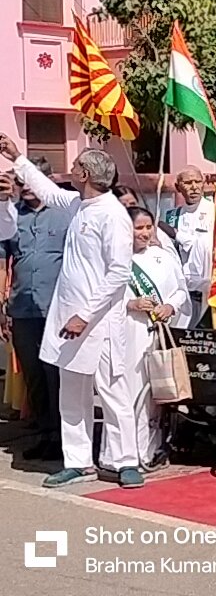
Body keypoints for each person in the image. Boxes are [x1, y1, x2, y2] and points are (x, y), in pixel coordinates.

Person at [0, 138, 140, 489]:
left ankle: (125, 462)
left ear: (88, 174)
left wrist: (86, 315)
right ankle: (78, 461)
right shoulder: (79, 204)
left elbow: (118, 273)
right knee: (71, 393)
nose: (71, 170)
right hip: (68, 320)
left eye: (76, 166)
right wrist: (18, 159)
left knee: (112, 391)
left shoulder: (112, 215)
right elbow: (46, 190)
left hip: (100, 321)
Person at [0, 159, 72, 461]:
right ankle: (44, 434)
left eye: (33, 179)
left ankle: (64, 438)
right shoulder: (13, 217)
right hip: (23, 311)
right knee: (34, 378)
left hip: (57, 312)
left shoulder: (65, 215)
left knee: (56, 376)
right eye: (21, 180)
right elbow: (3, 262)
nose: (27, 185)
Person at [113, 206, 190, 472]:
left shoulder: (163, 257)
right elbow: (103, 296)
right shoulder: (115, 259)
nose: (145, 233)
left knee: (156, 393)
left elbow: (180, 291)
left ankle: (152, 448)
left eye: (148, 227)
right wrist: (131, 303)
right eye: (139, 228)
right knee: (128, 392)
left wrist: (170, 306)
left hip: (157, 334)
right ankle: (124, 454)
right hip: (128, 333)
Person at [164, 167, 214, 327]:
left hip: (209, 289)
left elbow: (207, 245)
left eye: (197, 181)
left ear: (204, 183)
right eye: (188, 183)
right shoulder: (172, 216)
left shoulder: (215, 212)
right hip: (183, 289)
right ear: (178, 187)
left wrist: (178, 235)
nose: (194, 187)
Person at [112, 185, 178, 257]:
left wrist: (160, 247)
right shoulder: (110, 232)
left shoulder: (154, 230)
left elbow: (173, 260)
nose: (129, 207)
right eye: (123, 205)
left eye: (132, 203)